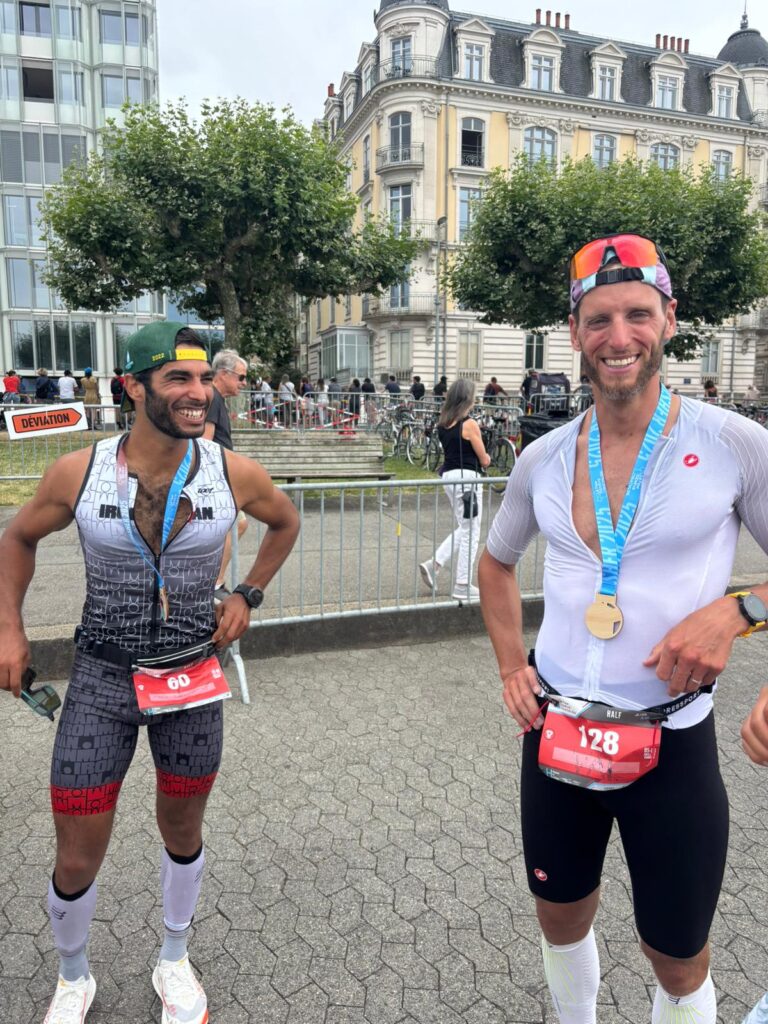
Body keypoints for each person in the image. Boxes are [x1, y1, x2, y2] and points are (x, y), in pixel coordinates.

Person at [478, 232, 768, 1024]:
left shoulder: (734, 443)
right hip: (558, 730)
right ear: (574, 331)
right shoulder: (541, 457)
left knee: (675, 955)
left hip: (670, 740)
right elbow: (495, 564)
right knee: (559, 916)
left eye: (637, 314)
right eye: (598, 318)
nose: (618, 337)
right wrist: (512, 666)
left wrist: (741, 610)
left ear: (670, 319)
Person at [0, 321, 300, 1024]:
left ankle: (173, 958)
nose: (199, 394)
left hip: (191, 680)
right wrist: (9, 628)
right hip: (102, 681)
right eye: (178, 379)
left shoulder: (231, 471)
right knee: (76, 853)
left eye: (203, 380)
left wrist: (247, 594)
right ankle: (73, 978)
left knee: (182, 828)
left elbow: (284, 522)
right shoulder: (80, 471)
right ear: (132, 387)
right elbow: (16, 537)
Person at [419, 379, 490, 602]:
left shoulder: (444, 424)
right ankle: (461, 584)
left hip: (449, 476)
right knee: (471, 531)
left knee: (466, 526)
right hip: (467, 478)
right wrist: (487, 458)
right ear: (468, 398)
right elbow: (484, 459)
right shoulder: (469, 424)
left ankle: (435, 564)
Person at [204, 349, 250, 602]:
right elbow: (205, 442)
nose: (243, 383)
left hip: (219, 477)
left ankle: (212, 580)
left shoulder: (215, 398)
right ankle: (214, 582)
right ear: (223, 374)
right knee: (237, 524)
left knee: (232, 526)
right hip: (216, 478)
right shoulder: (212, 397)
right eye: (240, 377)